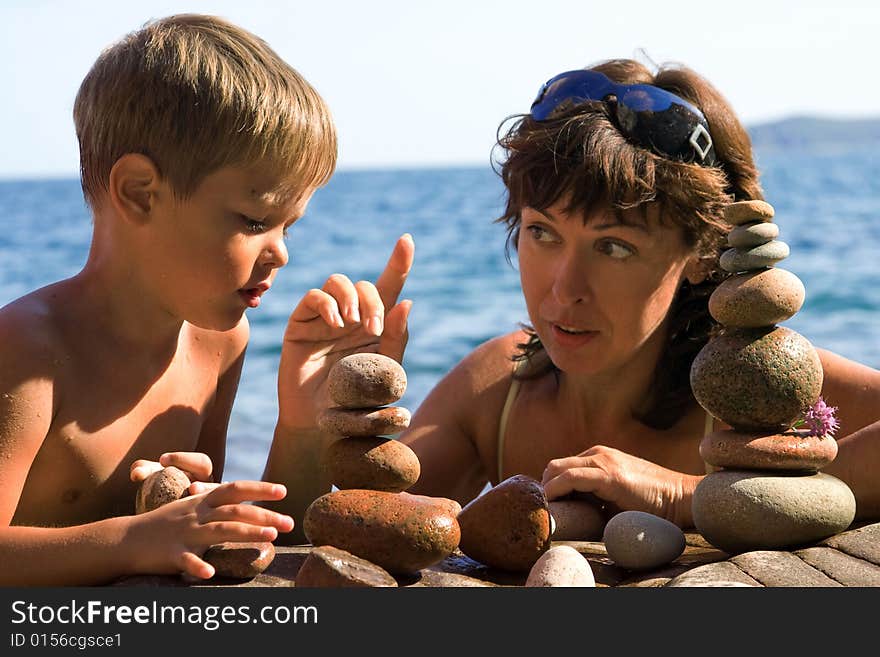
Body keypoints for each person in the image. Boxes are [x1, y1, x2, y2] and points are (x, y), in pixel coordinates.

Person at [279, 57, 880, 534]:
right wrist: (311, 429)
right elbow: (360, 534)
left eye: (614, 246)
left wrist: (687, 496)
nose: (564, 290)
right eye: (542, 232)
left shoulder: (758, 386)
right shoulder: (496, 392)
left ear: (701, 253)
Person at [0, 13, 412, 585]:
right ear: (140, 193)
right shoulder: (29, 348)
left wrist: (302, 424)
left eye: (288, 228)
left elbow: (265, 543)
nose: (280, 254)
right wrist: (136, 538)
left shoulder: (218, 341)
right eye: (254, 221)